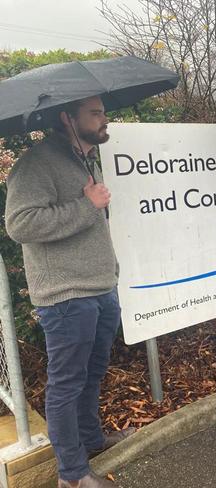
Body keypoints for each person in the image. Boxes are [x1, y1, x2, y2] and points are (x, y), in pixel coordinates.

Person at [5, 96, 134, 488]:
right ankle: (72, 476)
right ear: (67, 118)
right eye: (94, 113)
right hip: (66, 296)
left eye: (102, 111)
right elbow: (20, 225)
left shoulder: (82, 159)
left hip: (99, 289)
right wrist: (86, 205)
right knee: (66, 384)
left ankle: (92, 441)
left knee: (91, 375)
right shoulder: (37, 162)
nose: (104, 118)